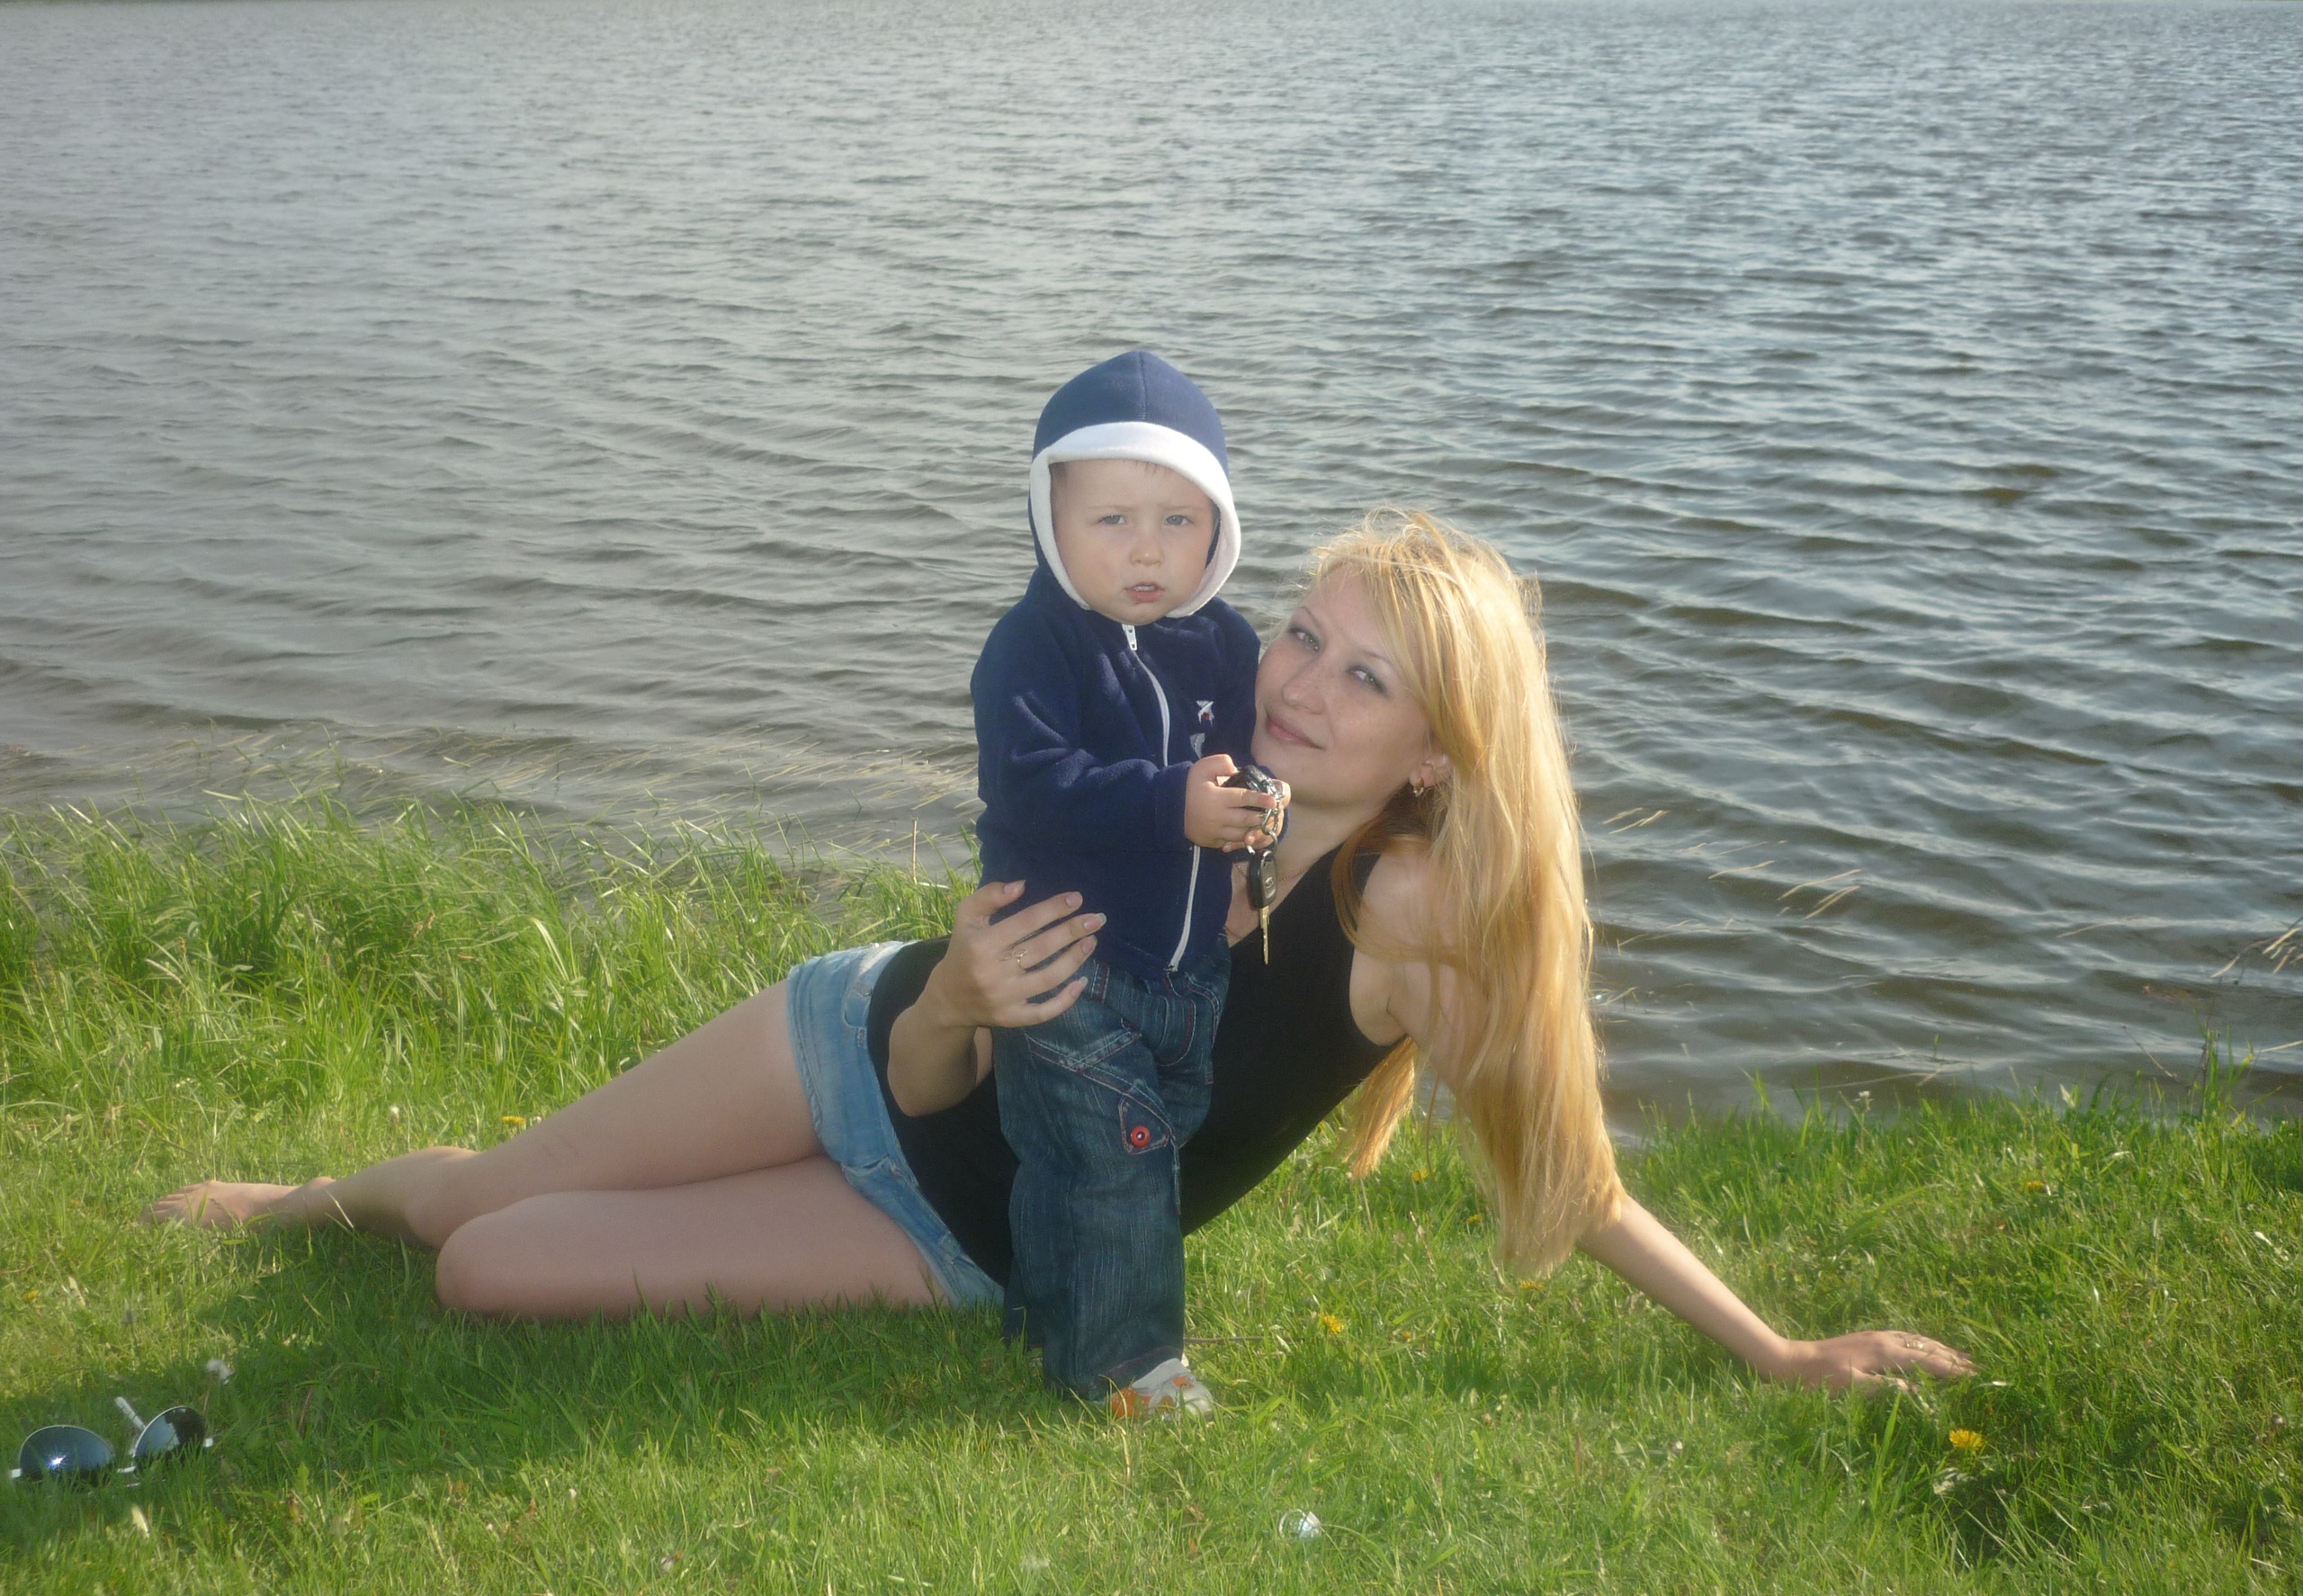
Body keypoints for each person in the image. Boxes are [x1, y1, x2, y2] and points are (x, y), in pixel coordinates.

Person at [148, 510, 1976, 1397]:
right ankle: (301, 1201)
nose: (1298, 685)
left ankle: (413, 1207)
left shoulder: (1409, 922)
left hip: (959, 1227)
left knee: (491, 1271)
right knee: (472, 1199)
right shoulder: (1179, 745)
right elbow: (942, 1034)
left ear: (1438, 753)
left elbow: (1568, 1180)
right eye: (1304, 635)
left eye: (1367, 676)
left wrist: (1774, 1350)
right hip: (869, 1036)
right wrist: (949, 996)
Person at [971, 350, 1273, 1414]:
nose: (1147, 549)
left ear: (1218, 527)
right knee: (1121, 1150)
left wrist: (1258, 805)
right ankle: (1128, 1371)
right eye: (1111, 520)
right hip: (1067, 962)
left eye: (1178, 521)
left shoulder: (1222, 645)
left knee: (1089, 1156)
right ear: (1049, 520)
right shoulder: (1033, 647)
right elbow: (1029, 786)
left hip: (1183, 974)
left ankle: (1046, 1318)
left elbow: (1240, 765)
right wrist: (1166, 804)